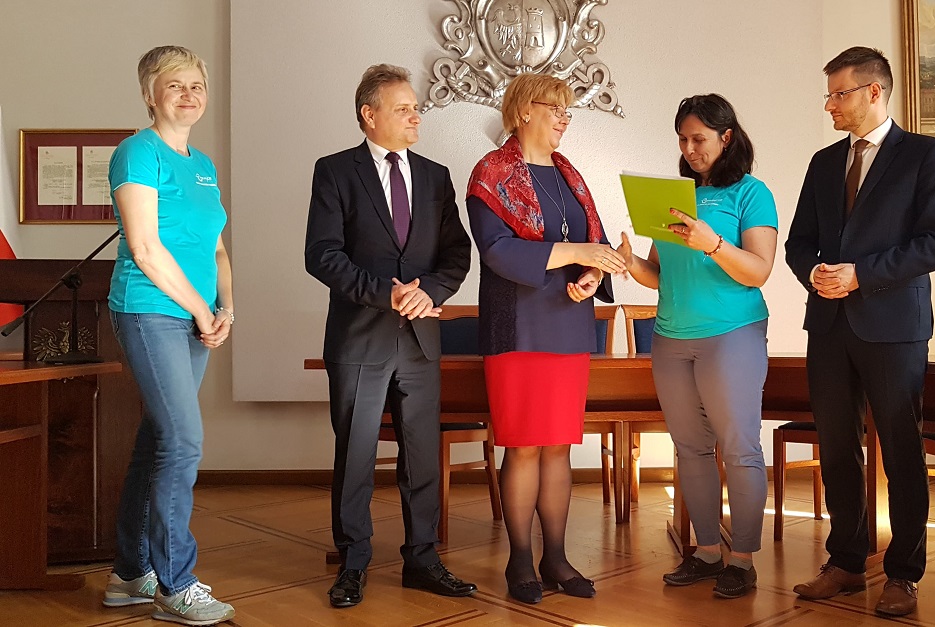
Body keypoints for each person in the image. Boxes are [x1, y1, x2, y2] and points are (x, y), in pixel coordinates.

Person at [785, 46, 935, 617]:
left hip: (894, 325)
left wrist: (862, 274)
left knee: (902, 451)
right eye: (829, 94)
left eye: (839, 93)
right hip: (828, 323)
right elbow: (799, 242)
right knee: (837, 448)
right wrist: (814, 273)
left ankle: (904, 574)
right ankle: (846, 562)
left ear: (874, 92)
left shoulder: (926, 155)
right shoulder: (823, 162)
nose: (829, 105)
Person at [304, 64, 474, 608]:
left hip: (421, 339)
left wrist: (430, 293)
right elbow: (322, 255)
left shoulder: (435, 176)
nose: (416, 116)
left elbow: (457, 253)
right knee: (355, 455)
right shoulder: (335, 171)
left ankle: (422, 560)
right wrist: (387, 293)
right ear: (369, 115)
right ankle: (353, 563)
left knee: (421, 456)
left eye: (416, 108)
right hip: (359, 337)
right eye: (404, 109)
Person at [466, 73, 624, 605]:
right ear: (523, 111)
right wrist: (578, 254)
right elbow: (497, 251)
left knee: (559, 446)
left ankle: (555, 557)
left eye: (567, 110)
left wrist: (593, 273)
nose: (563, 118)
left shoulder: (569, 174)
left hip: (568, 323)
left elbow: (595, 243)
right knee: (524, 446)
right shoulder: (490, 173)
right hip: (516, 325)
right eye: (554, 108)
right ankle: (519, 559)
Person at [616, 94, 777, 600]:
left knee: (740, 448)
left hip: (732, 334)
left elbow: (759, 271)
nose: (689, 149)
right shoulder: (675, 196)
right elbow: (658, 274)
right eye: (683, 140)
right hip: (670, 338)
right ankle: (707, 552)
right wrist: (628, 263)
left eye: (699, 139)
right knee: (690, 448)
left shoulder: (751, 194)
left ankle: (742, 560)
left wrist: (713, 244)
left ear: (726, 138)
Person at [102, 45, 235, 625]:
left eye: (196, 85)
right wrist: (201, 312)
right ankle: (175, 584)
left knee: (159, 439)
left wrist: (226, 307)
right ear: (149, 95)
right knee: (183, 442)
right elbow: (145, 248)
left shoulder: (202, 164)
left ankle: (131, 573)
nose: (188, 94)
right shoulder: (138, 152)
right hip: (150, 309)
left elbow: (217, 248)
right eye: (175, 85)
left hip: (196, 316)